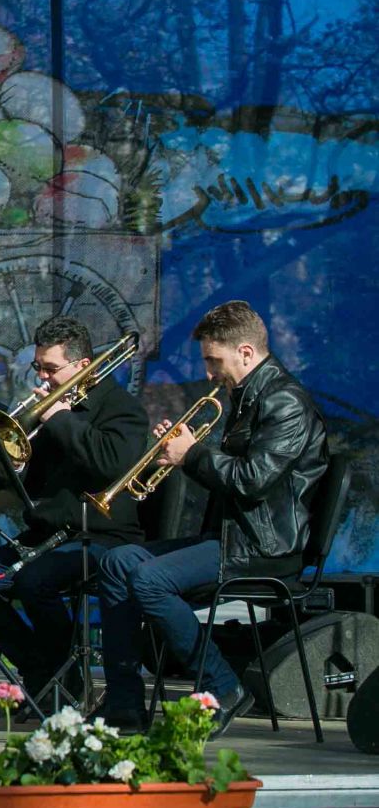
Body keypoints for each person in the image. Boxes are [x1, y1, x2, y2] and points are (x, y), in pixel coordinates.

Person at [98, 301, 328, 736]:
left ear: (245, 352)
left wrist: (192, 455)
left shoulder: (285, 401)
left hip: (263, 548)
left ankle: (222, 686)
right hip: (232, 537)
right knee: (117, 562)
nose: (208, 373)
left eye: (213, 361)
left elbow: (252, 481)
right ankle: (124, 701)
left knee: (149, 580)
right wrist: (184, 452)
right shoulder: (247, 395)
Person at [0, 315, 149, 701]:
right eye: (38, 367)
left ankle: (61, 678)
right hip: (49, 534)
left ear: (83, 365)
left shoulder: (123, 409)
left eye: (51, 369)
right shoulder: (55, 410)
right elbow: (33, 485)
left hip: (101, 535)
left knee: (33, 581)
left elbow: (112, 464)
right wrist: (14, 466)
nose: (42, 377)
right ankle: (41, 668)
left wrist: (60, 419)